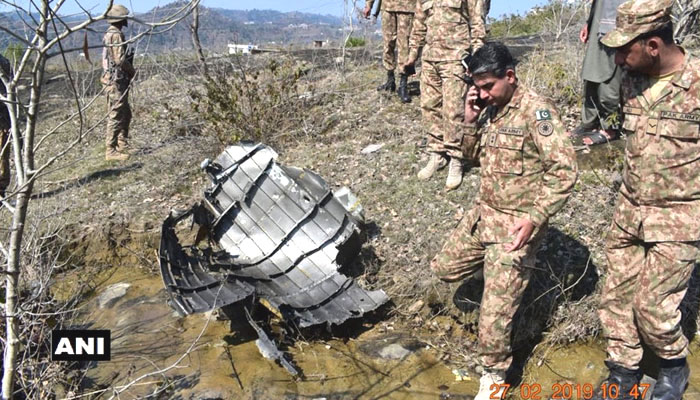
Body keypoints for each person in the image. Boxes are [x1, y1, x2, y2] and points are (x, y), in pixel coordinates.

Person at [431, 42, 577, 399]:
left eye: (487, 86)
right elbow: (471, 158)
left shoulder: (536, 112)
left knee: (493, 319)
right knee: (444, 270)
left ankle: (495, 375)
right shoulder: (490, 108)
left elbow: (564, 171)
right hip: (484, 215)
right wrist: (469, 120)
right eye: (476, 86)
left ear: (509, 76)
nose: (480, 93)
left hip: (514, 227)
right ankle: (496, 275)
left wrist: (534, 218)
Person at [592, 0, 700, 399]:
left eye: (626, 49)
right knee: (616, 298)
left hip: (679, 216)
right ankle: (623, 368)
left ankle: (673, 365)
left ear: (653, 45)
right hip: (629, 212)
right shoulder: (632, 80)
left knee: (653, 306)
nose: (618, 59)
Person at [405, 0, 487, 190]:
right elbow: (419, 24)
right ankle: (437, 153)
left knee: (453, 110)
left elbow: (477, 21)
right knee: (429, 106)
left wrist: (477, 55)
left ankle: (455, 158)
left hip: (455, 57)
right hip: (430, 58)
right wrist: (412, 55)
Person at [576, 0, 626, 146]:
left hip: (615, 26)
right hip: (599, 22)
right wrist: (589, 23)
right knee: (591, 72)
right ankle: (589, 123)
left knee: (609, 76)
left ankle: (610, 128)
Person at [363, 0, 416, 103]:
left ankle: (403, 84)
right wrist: (369, 5)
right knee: (388, 43)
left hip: (407, 6)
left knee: (404, 45)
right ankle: (390, 81)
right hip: (387, 6)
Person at [101, 4, 135, 161]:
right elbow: (119, 60)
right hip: (115, 80)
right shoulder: (115, 35)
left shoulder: (112, 34)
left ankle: (122, 143)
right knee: (116, 113)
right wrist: (131, 70)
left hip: (117, 80)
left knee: (125, 113)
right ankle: (111, 150)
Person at [0, 54, 12, 199]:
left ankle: (1, 193)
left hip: (2, 117)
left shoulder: (2, 63)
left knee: (2, 155)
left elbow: (9, 90)